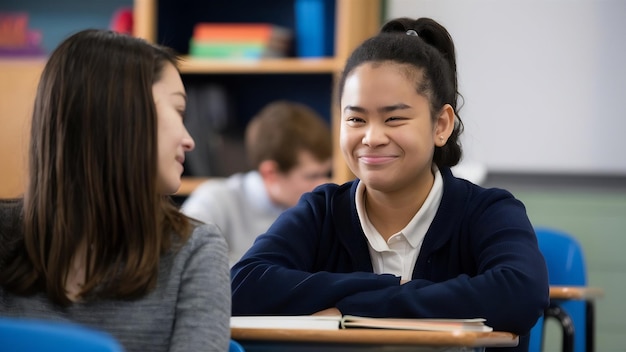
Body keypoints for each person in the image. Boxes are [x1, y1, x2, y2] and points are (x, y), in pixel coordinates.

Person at [231, 17, 549, 352]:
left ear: (441, 125)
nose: (371, 137)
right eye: (355, 119)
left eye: (394, 118)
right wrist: (389, 287)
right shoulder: (321, 210)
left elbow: (520, 292)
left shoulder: (488, 211)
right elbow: (242, 286)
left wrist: (355, 307)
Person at [0, 29, 230, 352]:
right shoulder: (4, 233)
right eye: (177, 112)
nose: (189, 139)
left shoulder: (194, 252)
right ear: (124, 117)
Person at [181, 100, 333, 265]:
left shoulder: (317, 215)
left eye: (327, 173)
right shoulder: (213, 201)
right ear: (270, 173)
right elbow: (182, 263)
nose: (324, 184)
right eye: (312, 176)